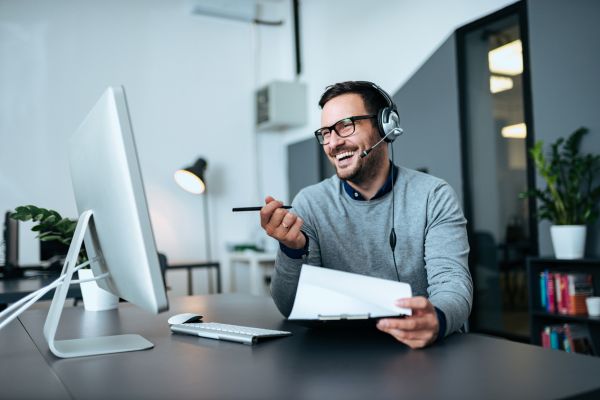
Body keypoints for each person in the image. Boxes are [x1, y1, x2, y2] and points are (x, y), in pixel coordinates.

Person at [260, 81, 472, 349]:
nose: (333, 142)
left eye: (345, 125)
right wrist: (292, 251)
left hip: (418, 350)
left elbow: (452, 283)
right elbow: (291, 307)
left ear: (385, 126)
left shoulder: (434, 195)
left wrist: (436, 319)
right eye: (326, 132)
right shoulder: (310, 203)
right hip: (340, 355)